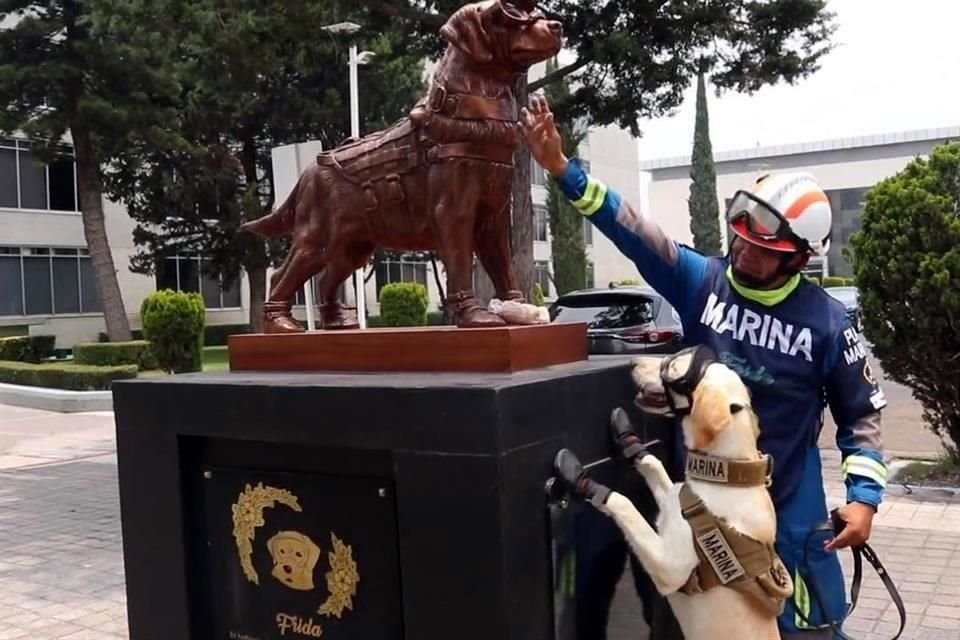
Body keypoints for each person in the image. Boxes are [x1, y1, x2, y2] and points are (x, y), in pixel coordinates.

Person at [521, 95, 888, 640]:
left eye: (761, 249)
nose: (742, 252)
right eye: (740, 239)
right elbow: (635, 231)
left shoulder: (829, 325)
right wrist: (561, 169)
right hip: (697, 496)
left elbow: (862, 419)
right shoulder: (702, 282)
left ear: (798, 256)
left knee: (810, 627)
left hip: (788, 502)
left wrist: (863, 502)